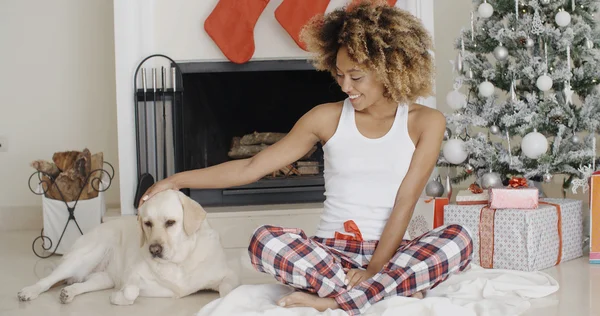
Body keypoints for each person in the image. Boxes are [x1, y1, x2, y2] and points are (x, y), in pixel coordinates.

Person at [139, 1, 473, 315]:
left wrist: (372, 270)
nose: (345, 86)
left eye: (355, 76)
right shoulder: (324, 118)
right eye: (339, 74)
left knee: (458, 239)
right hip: (328, 255)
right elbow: (251, 166)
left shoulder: (425, 122)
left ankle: (333, 302)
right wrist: (177, 180)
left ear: (390, 68)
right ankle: (385, 292)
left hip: (392, 252)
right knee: (263, 242)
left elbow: (405, 202)